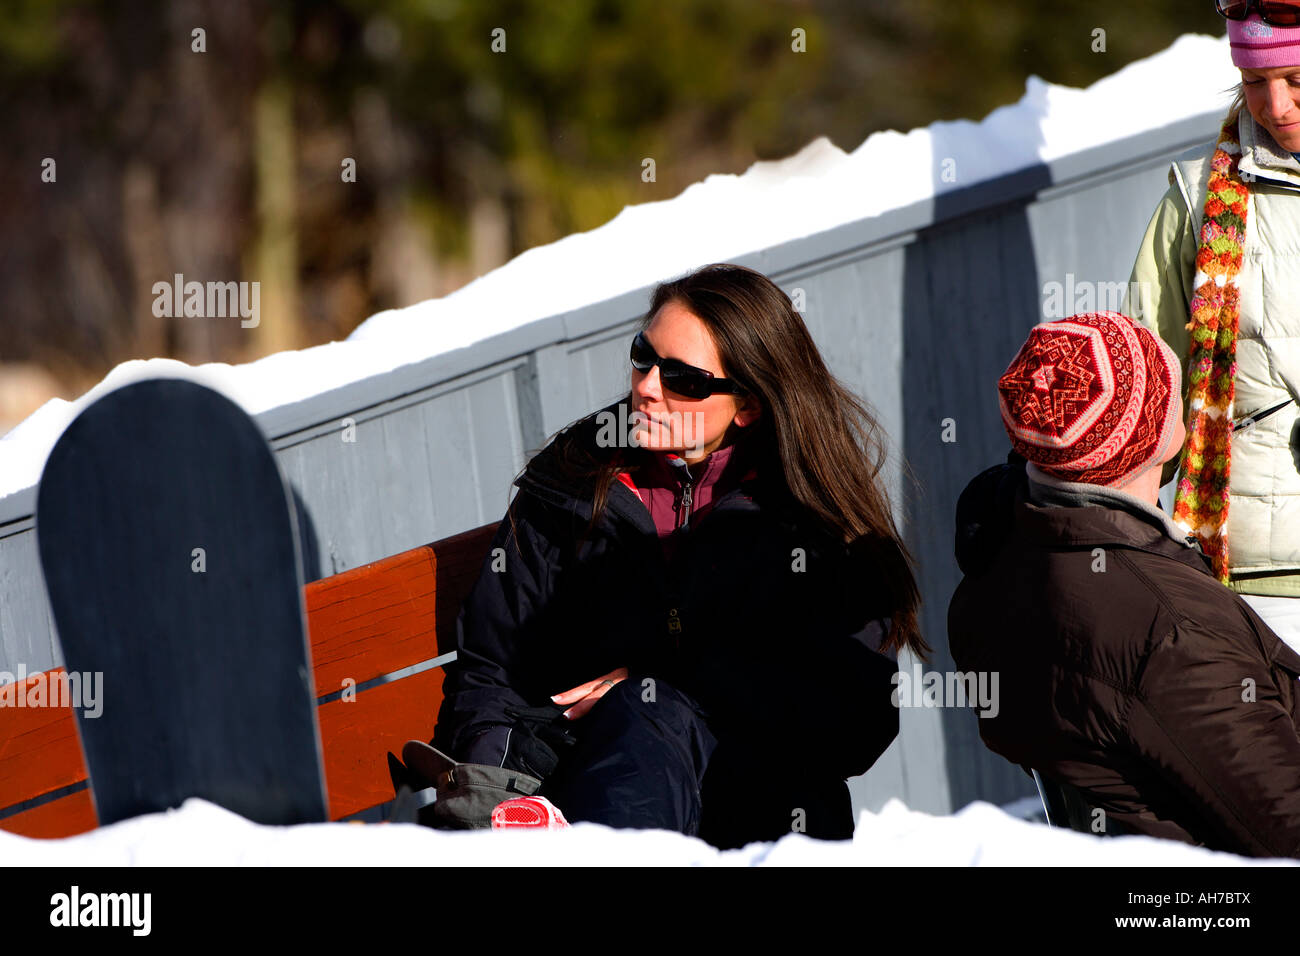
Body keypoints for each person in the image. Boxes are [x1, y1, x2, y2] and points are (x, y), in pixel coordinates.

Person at [431, 263, 924, 848]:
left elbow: (855, 717)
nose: (646, 386)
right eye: (645, 356)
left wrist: (668, 685)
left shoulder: (807, 521)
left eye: (685, 380)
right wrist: (502, 783)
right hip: (575, 794)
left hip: (761, 816)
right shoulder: (572, 486)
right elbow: (490, 667)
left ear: (748, 406)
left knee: (652, 709)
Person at [949, 310, 1300, 858]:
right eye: (1171, 385)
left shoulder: (998, 553)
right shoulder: (1173, 633)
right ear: (1156, 434)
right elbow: (1286, 827)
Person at [1127, 2, 1300, 647]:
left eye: (1296, 82)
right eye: (1255, 82)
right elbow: (1145, 389)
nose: (1275, 106)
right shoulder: (1198, 199)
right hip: (1255, 578)